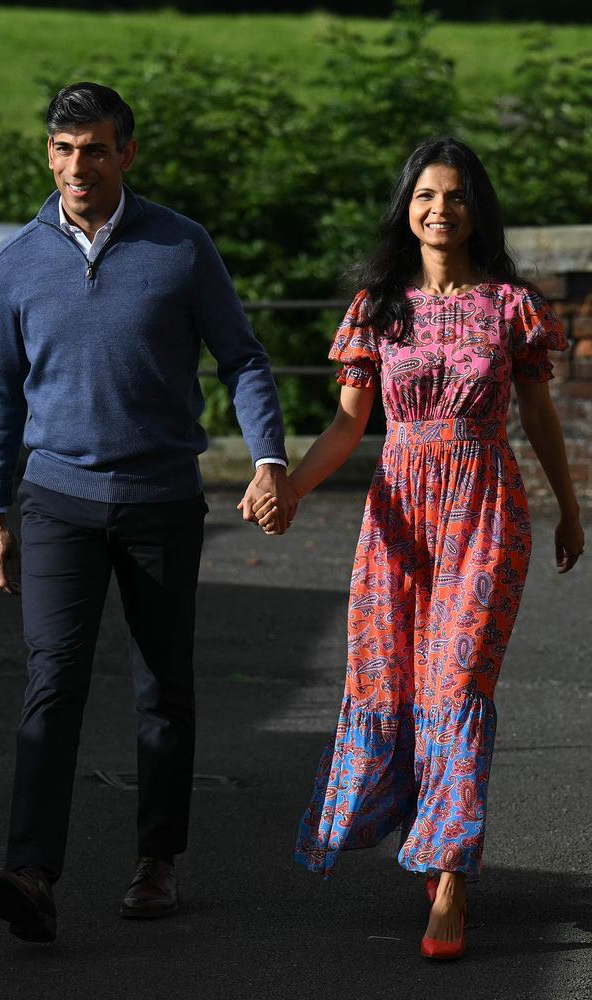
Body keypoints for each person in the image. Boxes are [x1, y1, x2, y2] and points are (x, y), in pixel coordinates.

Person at [0, 82, 297, 943]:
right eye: (63, 147)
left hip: (160, 500)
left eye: (95, 148)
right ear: (49, 153)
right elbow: (1, 397)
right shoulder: (17, 261)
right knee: (52, 682)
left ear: (127, 153)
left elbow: (243, 358)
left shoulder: (180, 247)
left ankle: (157, 861)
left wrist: (270, 460)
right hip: (55, 503)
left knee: (163, 686)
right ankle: (31, 870)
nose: (77, 165)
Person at [253, 136, 584, 959]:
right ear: (408, 207)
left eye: (458, 197)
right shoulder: (377, 307)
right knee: (399, 680)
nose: (441, 209)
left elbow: (539, 415)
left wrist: (569, 507)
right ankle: (434, 854)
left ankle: (451, 880)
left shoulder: (511, 304)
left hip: (485, 510)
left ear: (478, 212)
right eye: (427, 195)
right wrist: (289, 484)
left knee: (458, 682)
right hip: (398, 514)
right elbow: (347, 424)